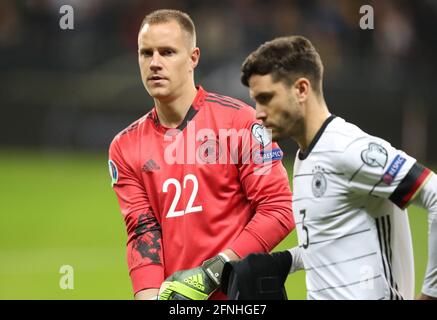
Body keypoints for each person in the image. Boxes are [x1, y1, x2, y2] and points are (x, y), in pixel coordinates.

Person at [226, 35, 437, 300]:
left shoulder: (348, 149)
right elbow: (334, 239)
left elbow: (435, 194)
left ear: (301, 89)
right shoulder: (306, 157)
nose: (258, 112)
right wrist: (285, 262)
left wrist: (431, 293)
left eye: (266, 98)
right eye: (256, 100)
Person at [108, 9, 295, 300]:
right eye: (146, 53)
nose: (155, 63)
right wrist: (149, 297)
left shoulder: (240, 123)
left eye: (167, 52)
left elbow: (279, 208)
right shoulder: (125, 146)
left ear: (193, 57)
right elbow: (143, 231)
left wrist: (211, 275)